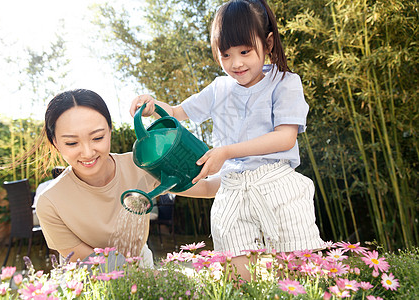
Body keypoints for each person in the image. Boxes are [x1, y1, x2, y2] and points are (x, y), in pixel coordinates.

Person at [130, 0, 324, 279]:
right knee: (237, 278)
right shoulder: (218, 89)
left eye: (245, 51)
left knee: (298, 273)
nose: (236, 63)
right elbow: (175, 112)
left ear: (268, 43)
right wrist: (152, 105)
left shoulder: (284, 82)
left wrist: (226, 152)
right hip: (231, 189)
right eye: (226, 55)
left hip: (277, 184)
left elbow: (284, 138)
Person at [32, 89, 219, 267]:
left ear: (110, 130)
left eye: (97, 138)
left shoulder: (141, 166)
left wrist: (238, 162)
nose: (88, 152)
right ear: (55, 142)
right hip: (87, 278)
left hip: (140, 266)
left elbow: (208, 188)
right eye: (72, 143)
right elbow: (91, 262)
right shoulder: (50, 202)